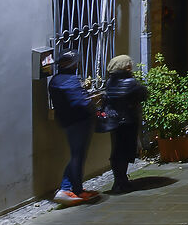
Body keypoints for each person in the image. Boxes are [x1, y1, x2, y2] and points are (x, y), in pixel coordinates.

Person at [43, 52, 96, 202]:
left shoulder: (55, 80)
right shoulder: (70, 80)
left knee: (77, 155)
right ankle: (67, 189)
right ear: (70, 64)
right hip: (79, 121)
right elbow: (81, 102)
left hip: (67, 122)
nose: (77, 65)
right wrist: (93, 108)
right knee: (78, 155)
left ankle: (76, 189)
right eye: (75, 63)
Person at [99, 55, 146, 193]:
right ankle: (121, 182)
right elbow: (143, 94)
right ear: (126, 66)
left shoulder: (110, 82)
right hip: (128, 121)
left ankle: (119, 180)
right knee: (125, 152)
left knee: (117, 150)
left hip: (114, 121)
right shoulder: (130, 82)